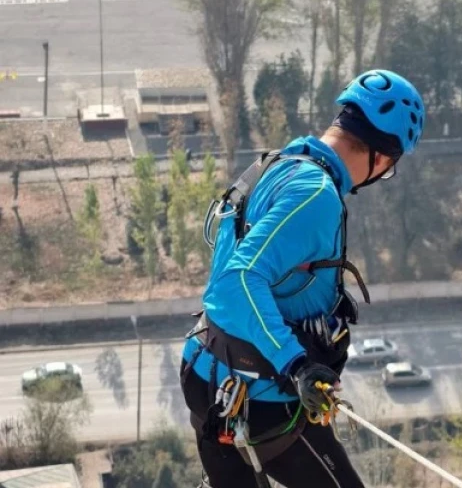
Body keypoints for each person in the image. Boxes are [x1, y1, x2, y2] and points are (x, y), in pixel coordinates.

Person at [181, 70, 426, 488]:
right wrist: (296, 366)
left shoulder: (275, 164)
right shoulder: (315, 196)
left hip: (207, 374)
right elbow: (235, 282)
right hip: (261, 398)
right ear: (382, 157)